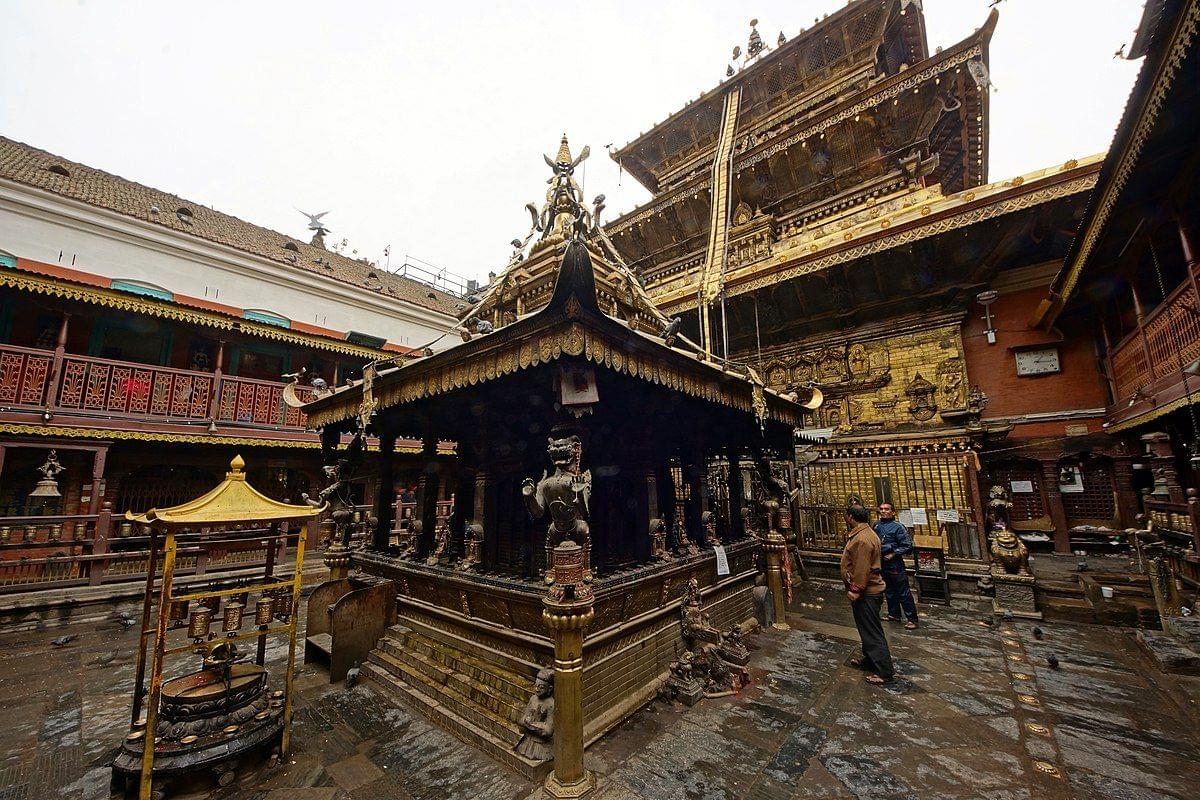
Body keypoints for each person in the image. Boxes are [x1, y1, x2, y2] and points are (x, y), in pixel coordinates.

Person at [840, 504, 895, 685]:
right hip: (870, 589)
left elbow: (862, 568)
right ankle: (870, 659)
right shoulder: (867, 533)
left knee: (872, 630)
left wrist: (856, 589)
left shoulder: (862, 539)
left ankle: (884, 670)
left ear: (850, 517)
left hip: (867, 591)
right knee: (866, 628)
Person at [875, 502, 919, 629]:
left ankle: (912, 618)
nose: (883, 511)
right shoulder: (876, 525)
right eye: (881, 509)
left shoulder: (898, 527)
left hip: (895, 564)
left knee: (903, 591)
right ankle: (894, 614)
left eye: (887, 509)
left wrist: (894, 553)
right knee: (889, 590)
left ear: (893, 512)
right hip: (882, 562)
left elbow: (907, 545)